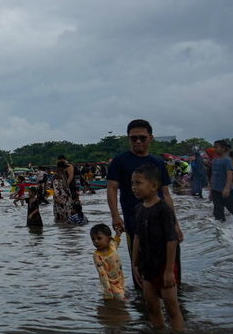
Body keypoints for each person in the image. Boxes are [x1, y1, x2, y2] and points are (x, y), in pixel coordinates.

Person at [106, 119, 182, 277]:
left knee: (171, 265)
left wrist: (175, 223)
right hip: (134, 219)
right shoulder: (119, 161)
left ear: (151, 138)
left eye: (142, 137)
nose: (138, 141)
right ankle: (143, 300)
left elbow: (166, 193)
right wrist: (115, 216)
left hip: (162, 218)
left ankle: (175, 298)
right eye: (133, 138)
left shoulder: (158, 162)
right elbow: (112, 189)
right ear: (129, 139)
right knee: (141, 265)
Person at [130, 164, 184, 332]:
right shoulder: (138, 209)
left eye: (138, 183)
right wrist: (134, 263)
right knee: (152, 306)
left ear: (154, 186)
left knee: (171, 308)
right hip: (147, 266)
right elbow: (137, 236)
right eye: (132, 183)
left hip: (164, 266)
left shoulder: (164, 210)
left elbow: (171, 240)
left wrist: (169, 270)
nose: (134, 187)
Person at [89, 224, 126, 301]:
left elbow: (116, 242)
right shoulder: (97, 256)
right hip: (110, 283)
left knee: (122, 296)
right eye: (93, 239)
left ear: (109, 239)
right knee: (122, 301)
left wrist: (118, 234)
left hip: (119, 279)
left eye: (99, 238)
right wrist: (108, 292)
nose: (96, 241)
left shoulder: (112, 246)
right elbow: (102, 275)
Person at [209, 139, 233, 221]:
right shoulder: (214, 160)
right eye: (214, 147)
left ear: (223, 148)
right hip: (215, 190)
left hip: (225, 190)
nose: (214, 149)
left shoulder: (227, 160)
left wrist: (227, 188)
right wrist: (211, 190)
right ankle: (221, 231)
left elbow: (229, 174)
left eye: (216, 147)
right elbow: (213, 175)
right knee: (218, 212)